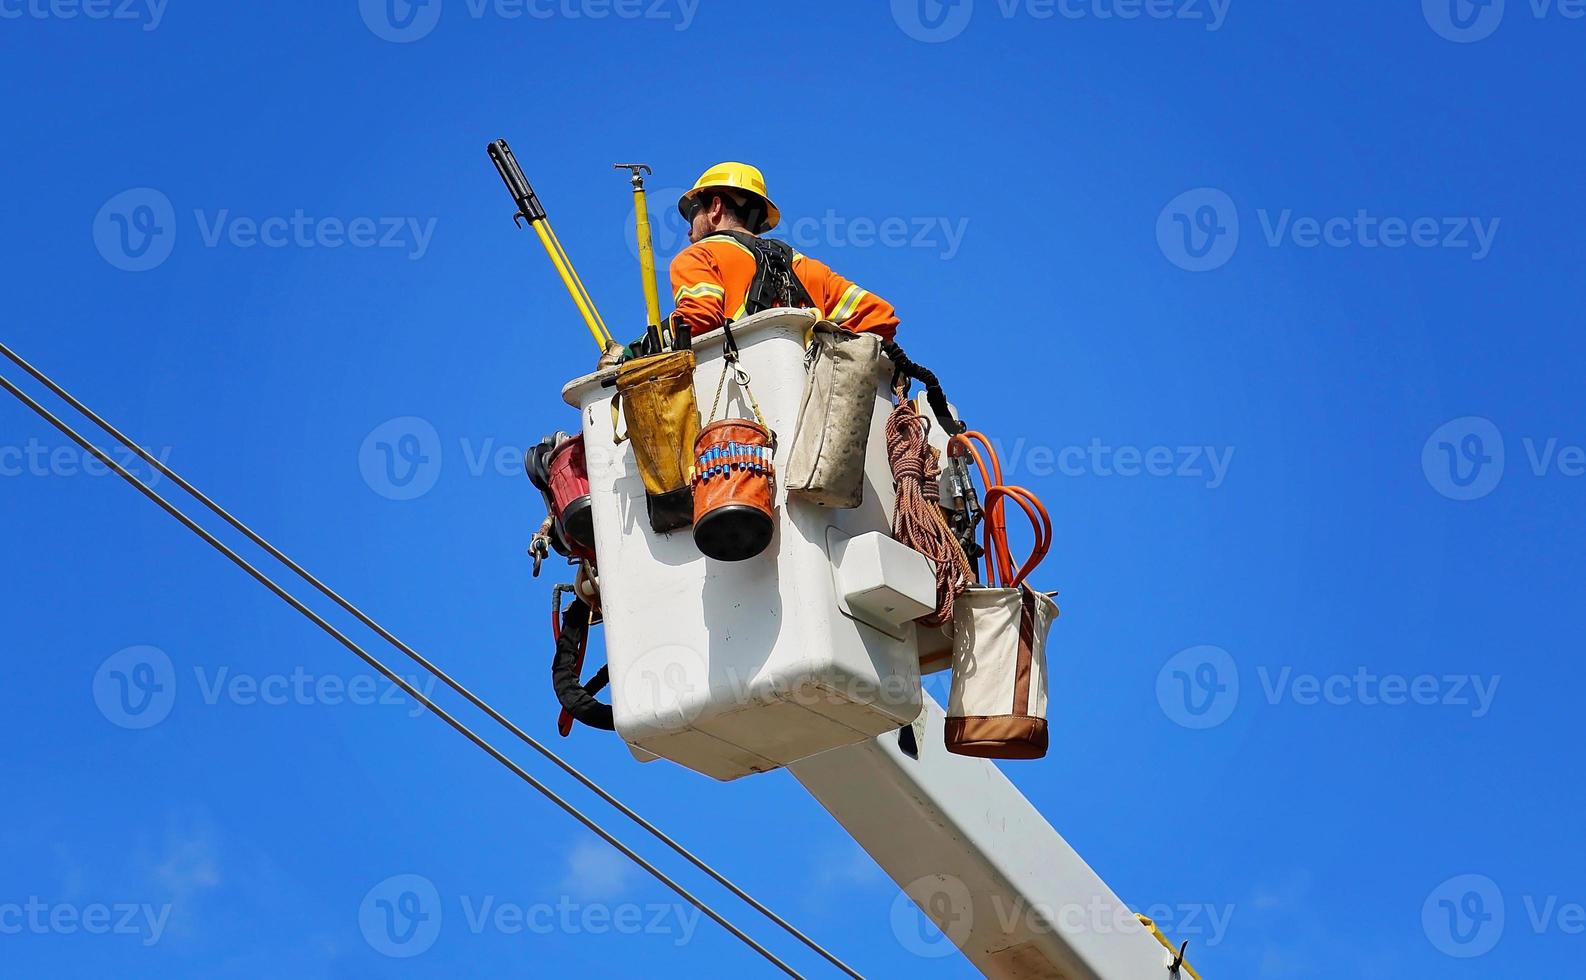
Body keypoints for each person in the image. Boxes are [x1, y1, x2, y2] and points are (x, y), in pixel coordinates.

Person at [668, 163, 899, 343]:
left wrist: (653, 339)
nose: (689, 230)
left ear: (715, 207)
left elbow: (698, 321)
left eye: (692, 211)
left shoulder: (699, 256)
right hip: (812, 399)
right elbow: (879, 316)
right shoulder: (808, 267)